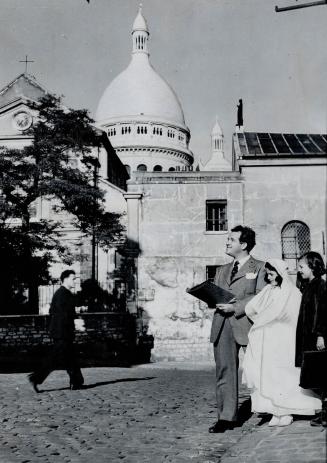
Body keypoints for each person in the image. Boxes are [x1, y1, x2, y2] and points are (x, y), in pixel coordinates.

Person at [242, 259, 321, 426]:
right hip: (268, 339)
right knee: (269, 373)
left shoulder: (291, 293)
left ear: (280, 274)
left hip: (284, 338)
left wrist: (270, 318)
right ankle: (274, 410)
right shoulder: (268, 291)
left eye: (272, 274)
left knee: (284, 374)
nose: (269, 278)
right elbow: (252, 308)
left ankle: (286, 411)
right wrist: (261, 320)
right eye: (268, 274)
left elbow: (293, 316)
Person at [209, 225, 266, 433]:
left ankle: (268, 409)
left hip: (248, 324)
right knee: (224, 370)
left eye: (231, 239)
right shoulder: (221, 270)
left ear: (243, 244)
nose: (227, 242)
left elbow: (261, 295)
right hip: (222, 324)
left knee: (258, 369)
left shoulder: (259, 267)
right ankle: (226, 417)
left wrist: (236, 307)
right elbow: (216, 294)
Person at [28, 269, 84, 392]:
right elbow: (61, 314)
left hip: (63, 331)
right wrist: (75, 322)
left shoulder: (65, 293)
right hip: (61, 332)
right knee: (55, 357)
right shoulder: (62, 294)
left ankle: (76, 382)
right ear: (65, 279)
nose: (75, 281)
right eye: (73, 279)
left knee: (70, 356)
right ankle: (36, 378)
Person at [295, 251, 327, 427]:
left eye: (302, 267)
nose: (299, 270)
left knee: (321, 377)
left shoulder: (320, 286)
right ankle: (324, 412)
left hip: (316, 338)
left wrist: (321, 335)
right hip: (307, 338)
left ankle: (326, 413)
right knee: (315, 378)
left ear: (313, 266)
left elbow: (323, 312)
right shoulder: (309, 286)